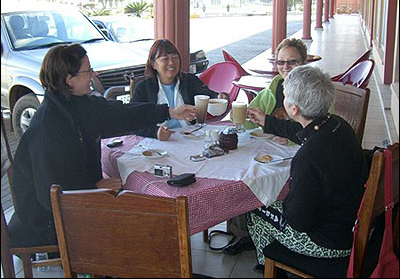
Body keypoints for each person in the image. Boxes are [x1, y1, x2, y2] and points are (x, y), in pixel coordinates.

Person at [8, 43, 196, 248]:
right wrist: (93, 188)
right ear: (69, 79)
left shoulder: (76, 103)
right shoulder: (49, 125)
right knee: (142, 228)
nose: (93, 74)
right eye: (88, 70)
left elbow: (122, 114)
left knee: (144, 214)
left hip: (78, 201)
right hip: (47, 224)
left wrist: (169, 112)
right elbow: (50, 193)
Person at [246, 66, 368, 272]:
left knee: (256, 207)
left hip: (328, 243)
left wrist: (280, 199)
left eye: (285, 96)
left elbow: (298, 221)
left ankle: (270, 267)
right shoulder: (338, 125)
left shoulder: (307, 157)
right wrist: (267, 122)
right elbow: (300, 132)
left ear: (293, 109)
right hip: (349, 223)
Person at [223, 38, 308, 256]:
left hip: (301, 155)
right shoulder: (274, 87)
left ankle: (273, 230)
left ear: (304, 62)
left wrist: (288, 138)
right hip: (270, 152)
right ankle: (246, 233)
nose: (285, 67)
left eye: (292, 62)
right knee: (244, 172)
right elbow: (251, 119)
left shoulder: (313, 92)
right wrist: (240, 115)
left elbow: (319, 130)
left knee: (260, 177)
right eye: (281, 62)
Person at [131, 39, 229, 141]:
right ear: (153, 64)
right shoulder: (143, 88)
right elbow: (133, 121)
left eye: (174, 57)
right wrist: (154, 132)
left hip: (190, 137)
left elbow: (209, 96)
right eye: (165, 59)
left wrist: (221, 97)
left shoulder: (190, 81)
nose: (171, 62)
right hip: (156, 141)